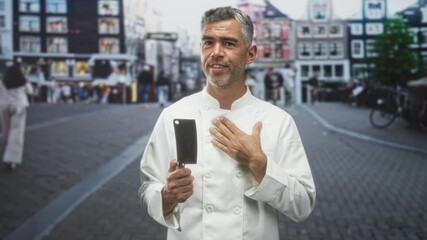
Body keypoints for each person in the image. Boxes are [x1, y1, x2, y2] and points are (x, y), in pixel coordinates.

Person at [138, 6, 315, 240]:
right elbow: (147, 188)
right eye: (208, 42)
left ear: (250, 54)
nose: (216, 52)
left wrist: (259, 164)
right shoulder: (173, 115)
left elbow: (303, 204)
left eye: (229, 43)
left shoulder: (278, 121)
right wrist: (167, 195)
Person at [0, 62, 29, 170]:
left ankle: (5, 149)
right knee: (16, 132)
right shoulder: (23, 81)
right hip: (18, 106)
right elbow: (30, 91)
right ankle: (11, 159)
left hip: (4, 106)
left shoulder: (2, 82)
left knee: (6, 131)